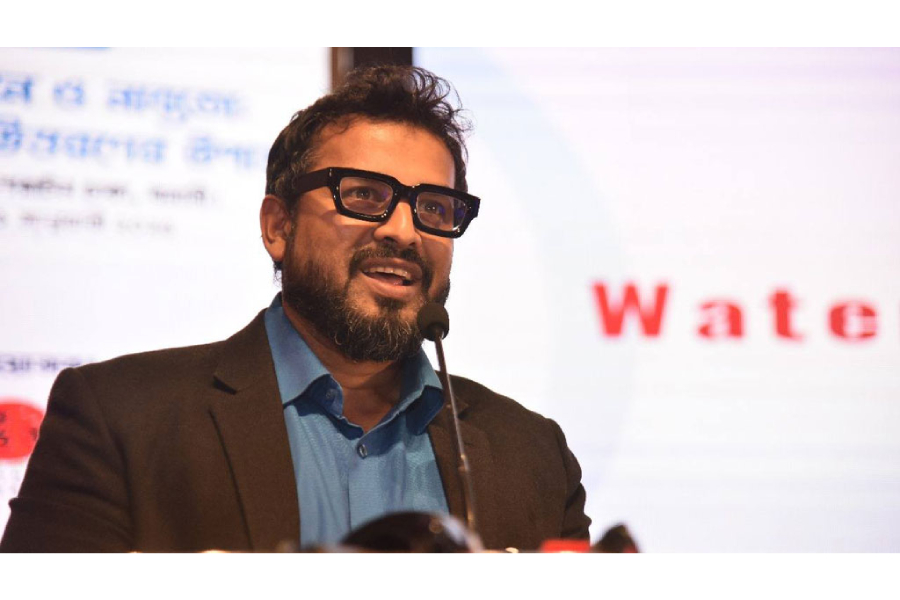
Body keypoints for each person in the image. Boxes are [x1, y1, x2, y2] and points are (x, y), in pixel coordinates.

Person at [0, 65, 590, 552]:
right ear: (279, 226)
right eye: (364, 195)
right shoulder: (118, 418)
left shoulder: (532, 454)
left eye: (435, 208)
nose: (404, 231)